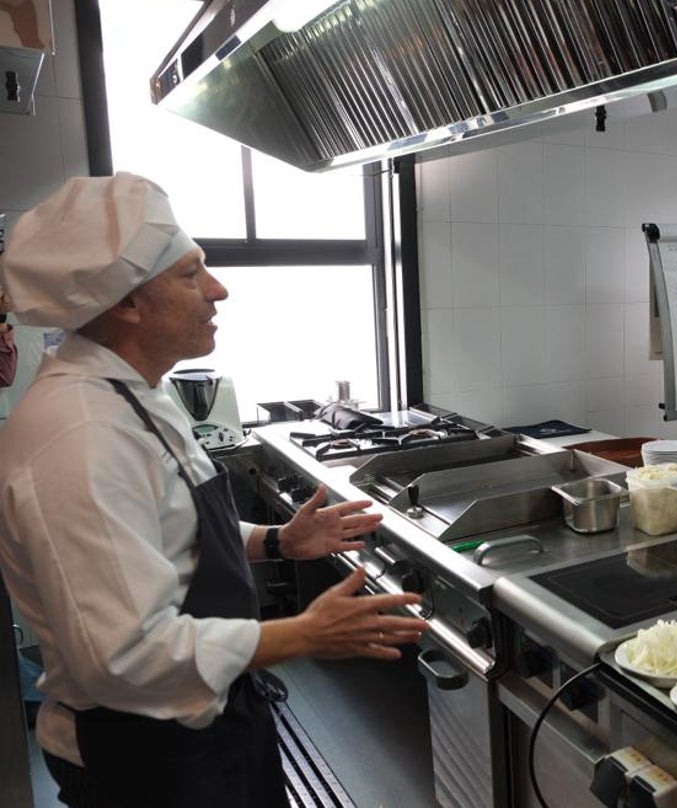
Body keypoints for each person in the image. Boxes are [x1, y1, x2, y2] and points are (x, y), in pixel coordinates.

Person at [0, 174, 430, 808]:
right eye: (191, 274)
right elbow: (121, 658)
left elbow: (172, 535)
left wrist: (280, 540)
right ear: (127, 304)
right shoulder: (79, 435)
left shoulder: (135, 391)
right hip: (147, 758)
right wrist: (303, 634)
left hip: (212, 718)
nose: (218, 289)